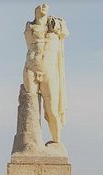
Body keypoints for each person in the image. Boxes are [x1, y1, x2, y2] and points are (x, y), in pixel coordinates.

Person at [23, 3, 69, 144]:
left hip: (49, 70)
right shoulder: (30, 27)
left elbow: (66, 33)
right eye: (39, 6)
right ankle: (31, 142)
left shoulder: (57, 26)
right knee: (31, 106)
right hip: (31, 67)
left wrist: (56, 23)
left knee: (52, 110)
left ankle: (57, 142)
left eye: (45, 6)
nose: (42, 6)